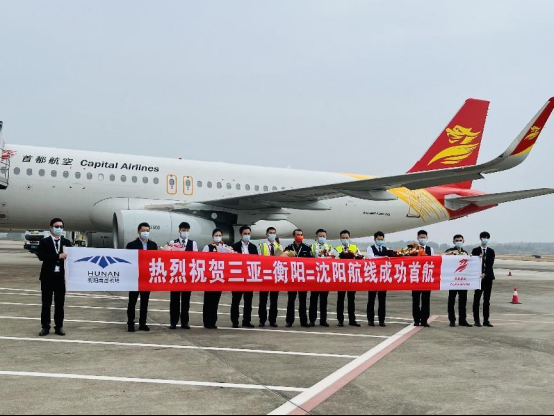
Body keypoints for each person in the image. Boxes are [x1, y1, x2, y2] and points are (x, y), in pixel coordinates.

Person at [37, 218, 73, 337]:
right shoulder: (44, 242)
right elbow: (42, 256)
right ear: (51, 227)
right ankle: (45, 327)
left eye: (61, 227)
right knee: (46, 303)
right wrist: (58, 256)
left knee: (60, 304)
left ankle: (59, 326)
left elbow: (72, 258)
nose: (59, 229)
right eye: (56, 226)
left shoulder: (67, 242)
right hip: (47, 277)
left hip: (61, 278)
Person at [127, 223, 158, 332]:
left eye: (147, 231)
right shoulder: (131, 245)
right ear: (138, 231)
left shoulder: (153, 245)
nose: (145, 232)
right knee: (132, 302)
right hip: (135, 277)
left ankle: (143, 323)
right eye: (143, 230)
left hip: (146, 277)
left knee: (145, 302)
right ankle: (130, 323)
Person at [169, 222, 198, 330]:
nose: (185, 232)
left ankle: (185, 322)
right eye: (183, 230)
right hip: (176, 274)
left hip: (187, 275)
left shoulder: (193, 243)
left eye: (187, 230)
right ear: (179, 231)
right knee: (174, 300)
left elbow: (195, 258)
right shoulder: (173, 242)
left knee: (186, 300)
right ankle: (173, 322)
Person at [230, 226, 258, 329]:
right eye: (245, 234)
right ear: (241, 235)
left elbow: (257, 261)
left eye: (248, 234)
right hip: (238, 277)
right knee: (236, 300)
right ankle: (235, 321)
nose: (247, 235)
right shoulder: (234, 246)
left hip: (249, 277)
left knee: (248, 300)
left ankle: (246, 320)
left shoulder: (253, 247)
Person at [284, 229, 312, 328]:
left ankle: (304, 321)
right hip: (292, 277)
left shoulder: (307, 248)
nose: (299, 236)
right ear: (294, 236)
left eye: (301, 234)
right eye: (297, 235)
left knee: (303, 300)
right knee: (291, 300)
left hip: (303, 278)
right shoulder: (288, 248)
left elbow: (311, 262)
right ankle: (289, 321)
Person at [309, 229, 335, 327]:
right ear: (316, 237)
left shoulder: (330, 247)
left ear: (326, 237)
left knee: (324, 300)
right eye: (320, 236)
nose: (322, 238)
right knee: (313, 300)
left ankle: (323, 320)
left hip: (325, 277)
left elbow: (335, 257)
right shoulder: (312, 247)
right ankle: (312, 320)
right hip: (315, 277)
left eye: (323, 236)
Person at [445, 235, 473, 328]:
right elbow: (444, 260)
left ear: (463, 241)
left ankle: (462, 320)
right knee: (451, 301)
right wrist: (448, 255)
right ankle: (452, 320)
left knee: (463, 301)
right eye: (456, 240)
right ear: (453, 241)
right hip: (453, 280)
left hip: (462, 280)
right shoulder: (449, 251)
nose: (458, 242)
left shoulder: (465, 253)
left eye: (460, 240)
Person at [335, 230, 361, 327]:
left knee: (351, 299)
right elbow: (334, 260)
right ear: (340, 238)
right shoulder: (337, 249)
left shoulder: (354, 248)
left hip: (351, 277)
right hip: (341, 277)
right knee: (340, 299)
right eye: (343, 238)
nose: (345, 239)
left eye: (346, 238)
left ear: (349, 238)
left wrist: (354, 255)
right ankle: (340, 320)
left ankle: (352, 320)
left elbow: (360, 258)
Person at [258, 227, 283, 328]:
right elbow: (258, 259)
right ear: (267, 234)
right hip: (264, 275)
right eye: (270, 233)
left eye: (273, 233)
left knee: (274, 300)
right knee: (263, 300)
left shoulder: (279, 246)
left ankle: (273, 320)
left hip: (275, 276)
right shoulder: (261, 246)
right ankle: (262, 320)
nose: (272, 234)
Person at [202, 229, 226, 329]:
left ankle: (213, 321)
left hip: (219, 277)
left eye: (220, 235)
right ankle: (207, 321)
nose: (218, 237)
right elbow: (203, 260)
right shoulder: (207, 247)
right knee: (208, 300)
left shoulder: (224, 248)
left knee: (216, 300)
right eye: (216, 235)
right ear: (212, 237)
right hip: (210, 277)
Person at [366, 231, 390, 327]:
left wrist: (381, 257)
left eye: (381, 239)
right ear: (375, 239)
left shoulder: (386, 249)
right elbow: (371, 258)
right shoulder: (370, 248)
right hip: (373, 277)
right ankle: (370, 320)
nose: (380, 240)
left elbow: (390, 259)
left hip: (383, 277)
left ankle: (382, 320)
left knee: (382, 300)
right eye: (378, 239)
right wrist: (382, 258)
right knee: (371, 299)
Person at [472, 232, 495, 328]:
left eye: (487, 238)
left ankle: (486, 320)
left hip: (488, 277)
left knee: (487, 300)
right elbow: (473, 263)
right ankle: (476, 320)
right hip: (478, 278)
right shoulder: (476, 250)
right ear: (480, 239)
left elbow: (490, 265)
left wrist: (485, 273)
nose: (485, 239)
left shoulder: (491, 251)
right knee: (477, 299)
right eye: (483, 237)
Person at [411, 230, 434, 328]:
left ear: (427, 238)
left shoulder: (430, 249)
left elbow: (433, 262)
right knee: (416, 300)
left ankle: (424, 320)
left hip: (426, 278)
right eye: (421, 237)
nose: (422, 239)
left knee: (426, 300)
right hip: (416, 277)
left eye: (424, 237)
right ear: (417, 238)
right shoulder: (412, 249)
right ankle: (416, 319)